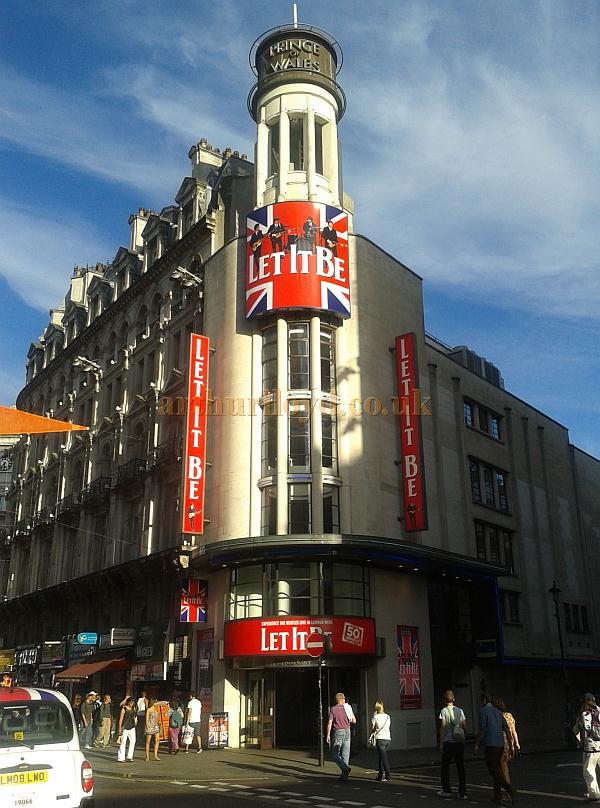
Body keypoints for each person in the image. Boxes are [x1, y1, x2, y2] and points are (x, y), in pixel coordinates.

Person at [475, 694, 515, 804]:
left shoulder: (483, 711)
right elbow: (506, 728)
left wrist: (477, 743)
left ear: (484, 701)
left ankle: (508, 788)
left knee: (493, 770)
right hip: (500, 744)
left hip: (490, 744)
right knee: (496, 769)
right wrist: (511, 745)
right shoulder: (498, 712)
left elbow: (483, 729)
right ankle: (497, 795)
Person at [437, 689, 468, 800]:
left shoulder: (444, 711)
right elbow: (464, 725)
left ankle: (446, 789)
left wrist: (441, 743)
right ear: (453, 698)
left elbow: (442, 727)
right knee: (461, 767)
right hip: (459, 742)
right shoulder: (460, 710)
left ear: (445, 700)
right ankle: (463, 792)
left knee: (445, 767)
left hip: (448, 742)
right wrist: (464, 736)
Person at [574, 693, 600, 801]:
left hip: (590, 747)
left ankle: (594, 795)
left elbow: (585, 728)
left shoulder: (585, 714)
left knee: (588, 771)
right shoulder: (599, 710)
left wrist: (579, 723)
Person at [325, 692, 356, 780]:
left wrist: (328, 735)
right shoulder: (348, 708)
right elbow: (354, 720)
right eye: (344, 698)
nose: (345, 700)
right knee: (345, 754)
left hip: (338, 731)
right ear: (341, 699)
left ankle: (345, 768)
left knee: (334, 753)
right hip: (347, 731)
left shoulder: (333, 709)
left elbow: (330, 722)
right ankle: (344, 775)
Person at [493, 696, 520, 787]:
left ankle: (507, 790)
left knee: (502, 768)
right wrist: (516, 744)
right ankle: (505, 789)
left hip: (500, 742)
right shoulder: (509, 715)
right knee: (504, 766)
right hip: (508, 743)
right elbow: (513, 731)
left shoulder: (496, 716)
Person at [371, 700, 392, 782]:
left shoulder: (375, 717)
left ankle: (388, 775)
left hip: (380, 739)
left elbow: (373, 729)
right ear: (382, 706)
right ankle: (379, 775)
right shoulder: (388, 716)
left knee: (384, 758)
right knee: (381, 757)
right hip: (388, 738)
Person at [117, 696, 137, 763]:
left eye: (132, 702)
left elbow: (134, 717)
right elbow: (121, 719)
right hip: (125, 727)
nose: (131, 703)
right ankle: (121, 757)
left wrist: (135, 721)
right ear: (128, 702)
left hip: (132, 727)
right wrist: (119, 728)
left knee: (133, 741)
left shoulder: (133, 708)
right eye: (130, 702)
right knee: (123, 742)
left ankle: (129, 756)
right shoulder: (124, 709)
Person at [144, 696, 161, 761]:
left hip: (156, 725)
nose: (156, 703)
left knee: (157, 740)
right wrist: (147, 725)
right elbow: (147, 718)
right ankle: (147, 756)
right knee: (148, 741)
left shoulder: (156, 708)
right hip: (150, 725)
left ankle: (155, 755)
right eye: (155, 702)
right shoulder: (149, 709)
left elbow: (162, 703)